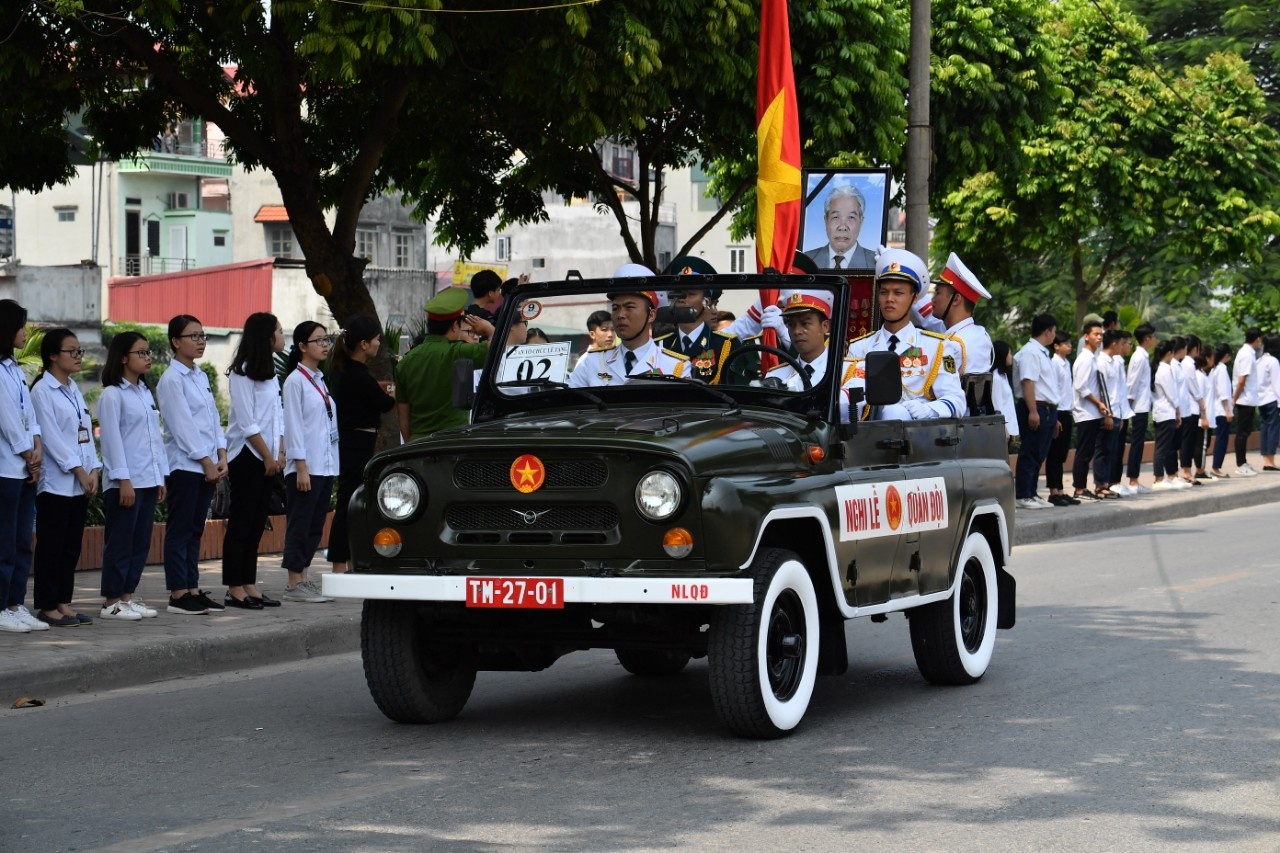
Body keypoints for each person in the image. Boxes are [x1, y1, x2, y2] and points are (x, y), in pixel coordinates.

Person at [156, 315, 228, 615]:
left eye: (202, 335)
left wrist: (222, 454)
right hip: (186, 466)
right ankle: (178, 592)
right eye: (193, 336)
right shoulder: (171, 380)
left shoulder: (199, 376)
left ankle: (193, 588)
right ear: (175, 341)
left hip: (208, 463)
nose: (200, 341)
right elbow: (182, 426)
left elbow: (212, 419)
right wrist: (206, 460)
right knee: (181, 529)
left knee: (196, 529)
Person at [29, 328, 100, 627]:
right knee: (52, 545)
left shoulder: (73, 388)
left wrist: (94, 468)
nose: (78, 356)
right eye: (72, 351)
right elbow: (53, 439)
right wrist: (79, 470)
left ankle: (62, 602)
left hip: (79, 482)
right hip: (57, 482)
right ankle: (46, 606)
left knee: (71, 546)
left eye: (79, 351)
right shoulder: (42, 391)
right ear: (53, 356)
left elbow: (85, 436)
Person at [845, 248, 965, 420]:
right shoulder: (860, 347)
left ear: (915, 298)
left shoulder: (936, 346)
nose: (889, 299)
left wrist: (928, 409)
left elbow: (956, 400)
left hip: (916, 438)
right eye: (884, 292)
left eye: (898, 293)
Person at [97, 331, 167, 621]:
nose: (147, 357)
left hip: (148, 479)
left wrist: (161, 476)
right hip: (125, 482)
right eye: (141, 353)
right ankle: (112, 600)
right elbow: (111, 441)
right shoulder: (113, 394)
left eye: (149, 352)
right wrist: (123, 480)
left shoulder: (144, 392)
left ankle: (127, 596)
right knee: (121, 542)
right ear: (123, 357)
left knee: (140, 542)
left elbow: (155, 437)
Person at [221, 312, 286, 609]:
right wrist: (268, 455)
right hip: (248, 456)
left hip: (269, 456)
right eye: (280, 331)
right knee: (242, 522)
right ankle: (234, 586)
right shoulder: (242, 372)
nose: (283, 337)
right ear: (266, 336)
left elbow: (277, 417)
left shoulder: (270, 372)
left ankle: (250, 583)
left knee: (258, 523)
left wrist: (281, 451)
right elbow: (248, 424)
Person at [329, 316, 396, 574]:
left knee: (352, 500)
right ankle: (339, 562)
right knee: (349, 501)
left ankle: (348, 561)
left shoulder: (347, 371)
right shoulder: (357, 375)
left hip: (356, 440)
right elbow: (385, 404)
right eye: (377, 339)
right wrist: (391, 393)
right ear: (364, 344)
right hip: (357, 441)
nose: (379, 343)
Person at [279, 322, 340, 603]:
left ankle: (304, 578)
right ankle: (294, 582)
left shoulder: (319, 379)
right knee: (300, 523)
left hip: (325, 464)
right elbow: (292, 426)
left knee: (315, 525)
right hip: (306, 467)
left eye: (326, 339)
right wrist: (300, 466)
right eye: (318, 340)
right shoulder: (295, 381)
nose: (325, 344)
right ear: (303, 346)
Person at [0, 299, 48, 634]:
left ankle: (16, 603)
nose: (25, 332)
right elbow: (5, 417)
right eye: (20, 326)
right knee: (4, 542)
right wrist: (26, 452)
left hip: (23, 467)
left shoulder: (15, 369)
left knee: (21, 541)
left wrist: (36, 446)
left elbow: (27, 414)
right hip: (6, 467)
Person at [396, 287, 493, 441]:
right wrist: (489, 329)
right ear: (455, 326)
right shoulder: (459, 353)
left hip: (418, 445)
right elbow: (496, 349)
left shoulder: (405, 362)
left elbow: (403, 418)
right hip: (452, 443)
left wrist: (413, 445)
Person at [568, 287, 691, 387]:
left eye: (630, 307)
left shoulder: (675, 366)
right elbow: (569, 404)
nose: (620, 315)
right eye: (615, 308)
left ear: (651, 315)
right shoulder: (592, 361)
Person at [656, 256, 744, 384]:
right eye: (678, 292)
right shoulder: (660, 344)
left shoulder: (726, 345)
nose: (682, 298)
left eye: (691, 294)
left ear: (706, 301)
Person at [919, 252, 994, 376]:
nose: (933, 299)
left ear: (956, 299)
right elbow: (928, 316)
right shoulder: (980, 335)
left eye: (937, 292)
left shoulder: (953, 345)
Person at [1013, 314, 1059, 510]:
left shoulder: (1041, 353)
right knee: (1030, 451)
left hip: (1046, 408)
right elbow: (1027, 381)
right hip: (1036, 406)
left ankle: (1032, 492)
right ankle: (1023, 494)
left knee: (1039, 453)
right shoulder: (1031, 352)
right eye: (1054, 332)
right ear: (1047, 331)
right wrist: (1033, 411)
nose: (1054, 336)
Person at [1071, 320, 1112, 501]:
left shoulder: (1093, 358)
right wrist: (1098, 403)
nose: (1099, 337)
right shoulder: (1085, 359)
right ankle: (1079, 488)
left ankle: (1082, 487)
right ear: (1086, 336)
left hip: (1093, 412)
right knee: (1084, 453)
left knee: (1088, 452)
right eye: (1096, 334)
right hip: (1085, 412)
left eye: (1101, 334)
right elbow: (1081, 386)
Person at [803, 183, 876, 269]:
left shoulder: (876, 264)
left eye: (851, 217)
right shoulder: (806, 261)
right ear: (825, 221)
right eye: (836, 217)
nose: (842, 227)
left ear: (861, 222)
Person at [1121, 324, 1156, 494]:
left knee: (1139, 443)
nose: (1155, 340)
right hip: (1137, 406)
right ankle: (1133, 480)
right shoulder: (1139, 357)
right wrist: (1127, 406)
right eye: (1153, 337)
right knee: (1137, 443)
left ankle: (1135, 479)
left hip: (1142, 405)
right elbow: (1131, 384)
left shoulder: (1143, 356)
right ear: (1147, 338)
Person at [1045, 331, 1078, 506]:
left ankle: (1061, 489)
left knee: (1062, 454)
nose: (1069, 346)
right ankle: (1053, 491)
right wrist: (1054, 415)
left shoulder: (1066, 363)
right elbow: (1053, 390)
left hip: (1067, 411)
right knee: (1055, 454)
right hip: (1058, 411)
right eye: (1065, 343)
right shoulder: (1054, 364)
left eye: (1070, 343)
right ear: (1056, 346)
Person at [1150, 340, 1183, 490]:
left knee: (1163, 446)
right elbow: (1171, 393)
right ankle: (1158, 478)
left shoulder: (1158, 368)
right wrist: (1178, 410)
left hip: (1161, 411)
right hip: (1166, 412)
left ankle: (1161, 477)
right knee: (1162, 447)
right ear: (1169, 353)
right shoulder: (1165, 370)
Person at [1231, 328, 1263, 476]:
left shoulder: (1248, 353)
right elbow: (1242, 380)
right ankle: (1240, 463)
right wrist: (1234, 398)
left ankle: (1243, 461)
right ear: (1257, 339)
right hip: (1244, 399)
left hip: (1248, 398)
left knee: (1245, 431)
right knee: (1242, 432)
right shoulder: (1246, 355)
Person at [1177, 335, 1208, 486]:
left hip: (1188, 407)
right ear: (1195, 349)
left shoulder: (1185, 363)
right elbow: (1192, 385)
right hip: (1190, 407)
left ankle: (1186, 470)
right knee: (1187, 442)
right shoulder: (1188, 364)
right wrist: (1201, 401)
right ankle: (1185, 471)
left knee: (1188, 441)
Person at [1207, 343, 1233, 478]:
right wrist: (1228, 410)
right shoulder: (1221, 369)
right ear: (1227, 355)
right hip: (1222, 410)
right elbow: (1223, 392)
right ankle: (1216, 467)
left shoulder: (1214, 368)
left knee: (1219, 439)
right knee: (1222, 440)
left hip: (1216, 409)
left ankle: (1215, 466)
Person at [1256, 334, 1280, 471]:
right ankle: (1270, 461)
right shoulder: (1273, 362)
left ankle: (1266, 460)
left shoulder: (1259, 361)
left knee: (1264, 428)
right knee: (1272, 430)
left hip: (1261, 399)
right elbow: (1277, 384)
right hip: (1272, 399)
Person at [991, 340, 1019, 448]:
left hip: (1007, 429)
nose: (1011, 357)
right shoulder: (996, 378)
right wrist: (1004, 428)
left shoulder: (1003, 376)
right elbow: (997, 406)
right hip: (1002, 430)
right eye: (1009, 353)